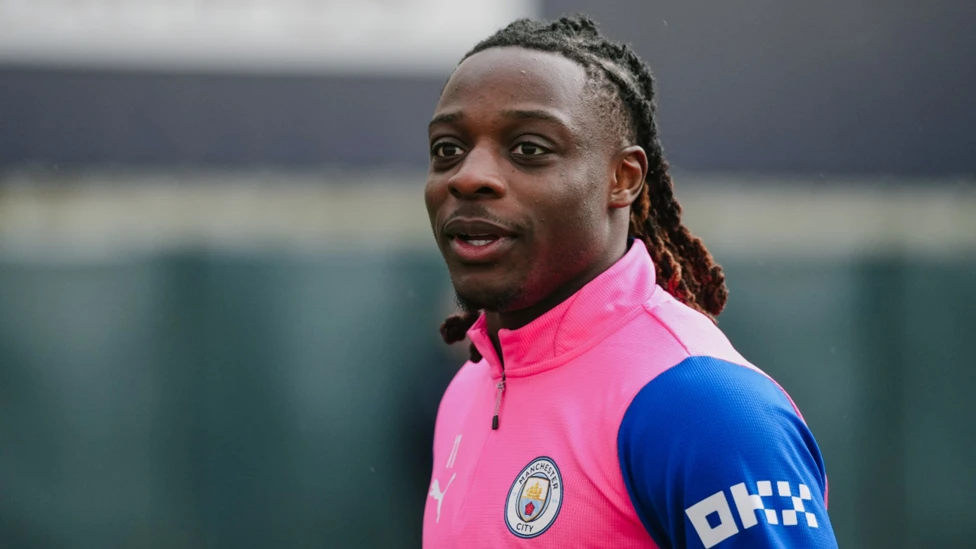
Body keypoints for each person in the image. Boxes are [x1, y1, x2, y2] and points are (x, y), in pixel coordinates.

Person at [421, 15, 838, 548]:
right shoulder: (465, 392)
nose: (467, 176)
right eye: (447, 150)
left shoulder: (703, 407)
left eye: (528, 148)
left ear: (623, 179)